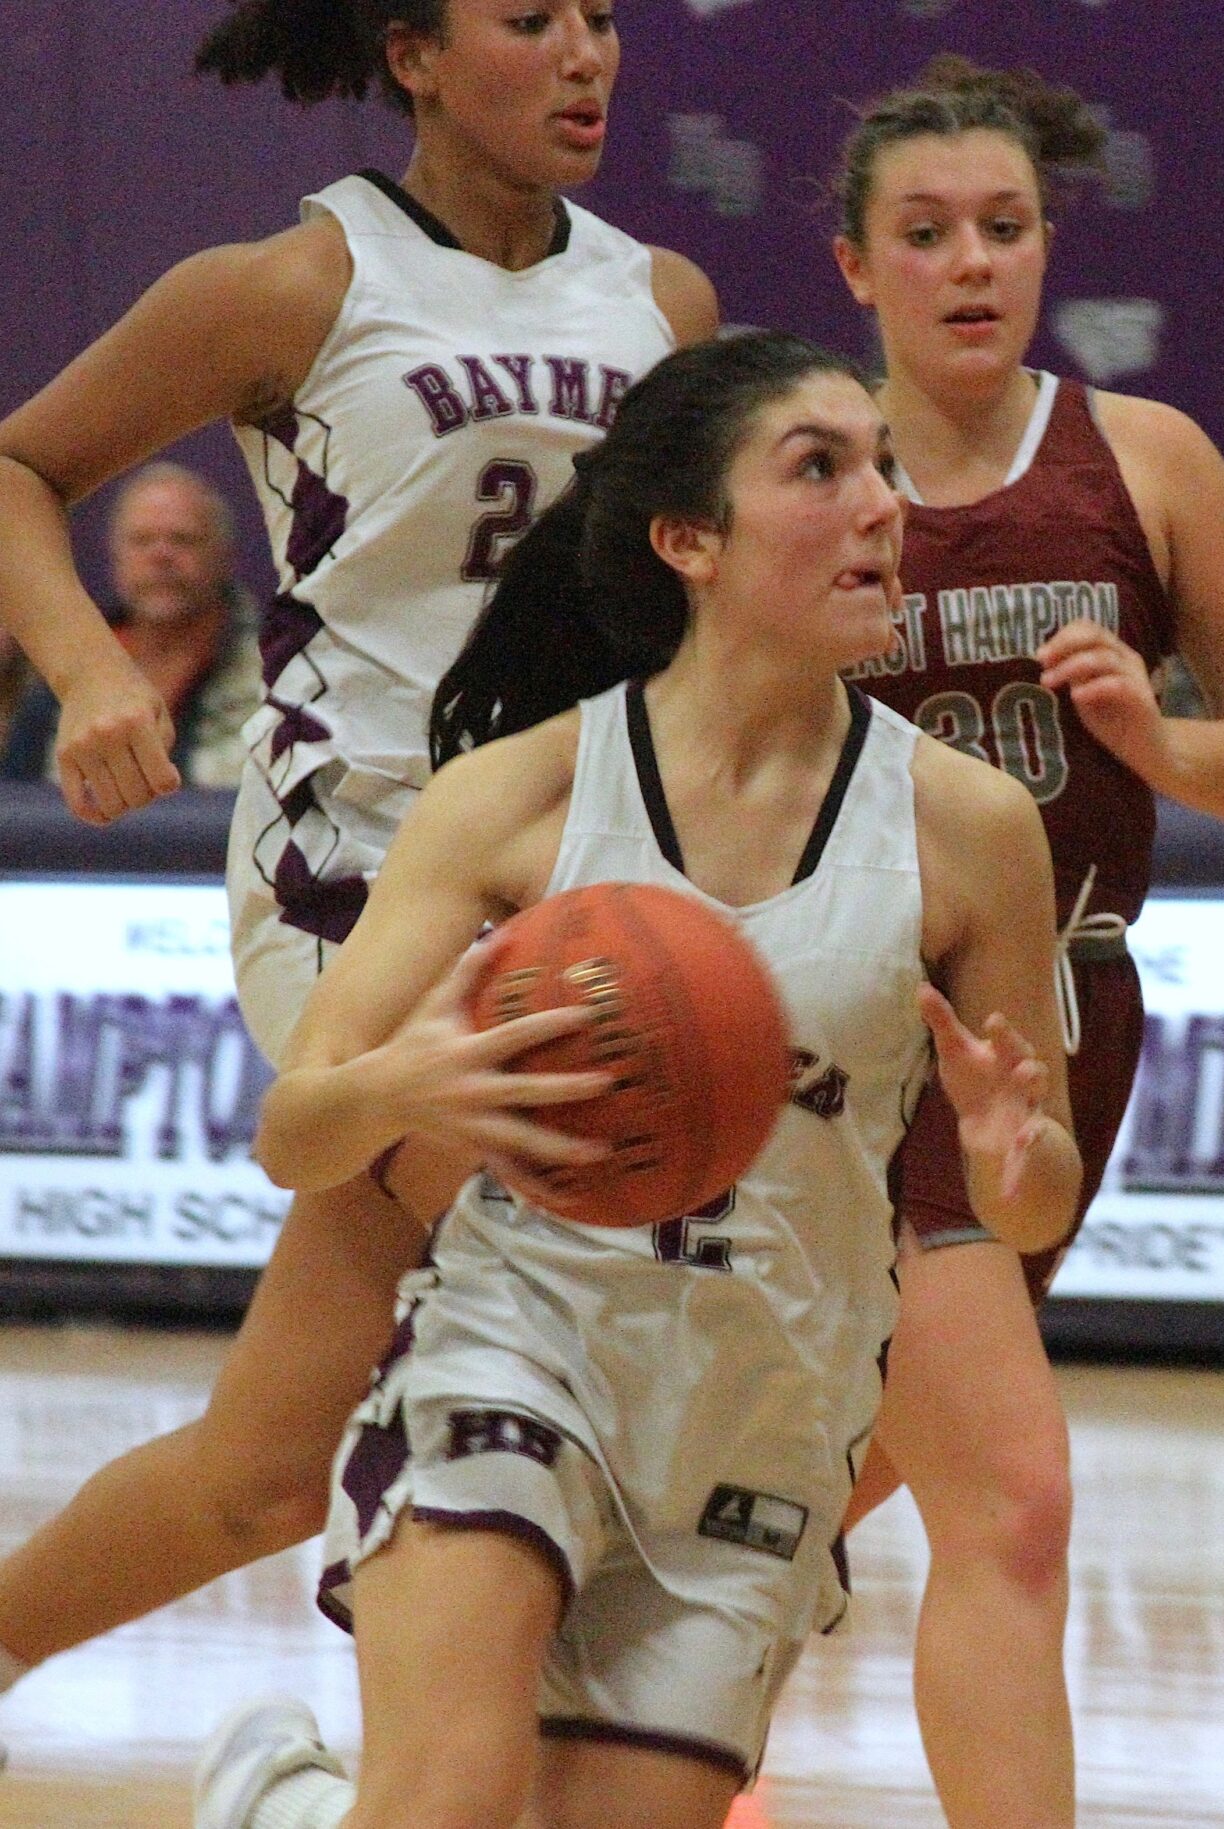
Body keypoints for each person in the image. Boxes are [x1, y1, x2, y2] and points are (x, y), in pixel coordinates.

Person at [191, 328, 1080, 1829]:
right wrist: (412, 1084)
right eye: (820, 468)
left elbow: (1037, 1198)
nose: (881, 502)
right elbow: (296, 1133)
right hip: (521, 1340)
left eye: (882, 465)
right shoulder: (522, 792)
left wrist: (1007, 1147)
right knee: (453, 1792)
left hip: (765, 1415)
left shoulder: (971, 825)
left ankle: (276, 1809)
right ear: (691, 542)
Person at [0, 0, 714, 1715]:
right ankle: (435, 1717)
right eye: (530, 19)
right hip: (355, 877)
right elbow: (19, 463)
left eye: (604, 18)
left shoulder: (664, 302)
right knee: (544, 1274)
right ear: (410, 52)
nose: (585, 55)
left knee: (258, 1464)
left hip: (588, 874)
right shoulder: (297, 286)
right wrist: (92, 663)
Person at [827, 57, 1224, 1829]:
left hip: (1062, 1012)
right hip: (849, 1022)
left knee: (840, 1478)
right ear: (855, 267)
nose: (972, 262)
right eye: (927, 232)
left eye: (1007, 227)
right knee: (997, 1491)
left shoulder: (1146, 458)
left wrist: (1165, 747)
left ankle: (604, 1720)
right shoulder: (807, 463)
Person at [1, 461, 263, 787]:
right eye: (142, 540)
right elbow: (16, 807)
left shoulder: (275, 670)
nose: (161, 555)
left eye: (182, 539)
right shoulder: (67, 673)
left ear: (223, 555)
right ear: (115, 556)